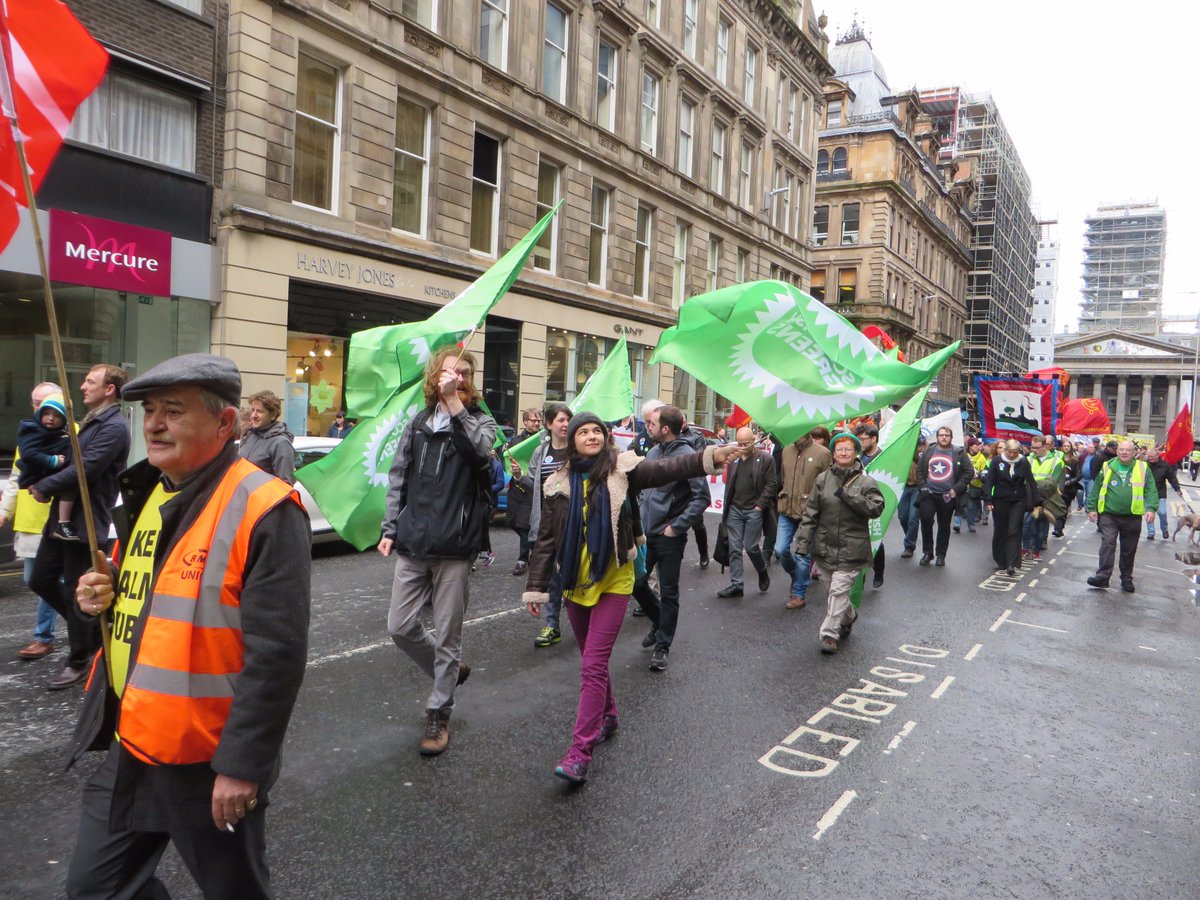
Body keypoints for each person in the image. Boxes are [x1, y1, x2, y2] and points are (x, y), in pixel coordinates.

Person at [67, 352, 311, 900]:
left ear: (225, 424)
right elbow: (160, 600)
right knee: (95, 887)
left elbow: (278, 654)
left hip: (206, 761)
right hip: (132, 741)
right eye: (150, 410)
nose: (154, 424)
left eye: (173, 411)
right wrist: (102, 592)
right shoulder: (152, 490)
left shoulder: (266, 506)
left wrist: (243, 767)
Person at [522, 413, 750, 783]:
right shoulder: (556, 483)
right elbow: (546, 539)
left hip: (614, 577)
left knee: (593, 664)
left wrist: (713, 456)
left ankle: (580, 752)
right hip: (574, 583)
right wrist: (536, 586)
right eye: (584, 431)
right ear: (574, 440)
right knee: (591, 660)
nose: (592, 436)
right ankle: (608, 715)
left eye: (598, 431)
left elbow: (670, 469)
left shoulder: (623, 469)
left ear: (606, 437)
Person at [378, 348, 496, 756]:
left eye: (464, 372)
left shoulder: (480, 420)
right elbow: (398, 479)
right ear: (435, 375)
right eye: (450, 371)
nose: (457, 376)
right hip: (414, 540)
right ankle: (449, 672)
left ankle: (438, 711)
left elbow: (481, 453)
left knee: (448, 634)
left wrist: (455, 405)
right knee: (400, 626)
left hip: (456, 544)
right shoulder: (418, 423)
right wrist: (390, 527)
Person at [29, 364, 130, 691]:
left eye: (90, 381)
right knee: (40, 578)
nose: (83, 386)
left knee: (78, 589)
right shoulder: (92, 420)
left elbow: (86, 469)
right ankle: (89, 629)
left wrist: (45, 486)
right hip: (61, 519)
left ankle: (79, 658)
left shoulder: (114, 427)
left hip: (84, 522)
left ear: (110, 389)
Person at [630, 404, 710, 671]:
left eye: (651, 424)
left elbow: (702, 497)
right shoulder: (652, 451)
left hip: (669, 537)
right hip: (644, 534)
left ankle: (663, 646)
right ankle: (659, 621)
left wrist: (676, 526)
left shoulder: (689, 456)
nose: (646, 427)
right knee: (637, 583)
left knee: (669, 591)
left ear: (665, 428)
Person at [795, 433, 885, 655]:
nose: (844, 453)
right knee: (833, 593)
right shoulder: (822, 480)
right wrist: (803, 543)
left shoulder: (866, 481)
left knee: (837, 592)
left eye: (848, 449)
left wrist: (849, 496)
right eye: (839, 449)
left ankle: (829, 635)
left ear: (856, 453)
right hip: (824, 548)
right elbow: (810, 515)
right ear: (833, 453)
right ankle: (849, 616)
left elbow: (876, 509)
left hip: (852, 549)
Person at [2, 382, 63, 660]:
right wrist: (5, 510)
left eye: (45, 403)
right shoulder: (28, 433)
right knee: (33, 580)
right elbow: (17, 476)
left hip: (58, 519)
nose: (40, 409)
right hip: (29, 520)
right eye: (36, 403)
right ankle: (79, 618)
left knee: (48, 580)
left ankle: (43, 636)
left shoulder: (70, 432)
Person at [519, 403, 572, 645]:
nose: (565, 424)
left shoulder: (576, 451)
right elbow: (536, 488)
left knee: (573, 573)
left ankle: (584, 620)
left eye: (568, 419)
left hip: (571, 523)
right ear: (549, 424)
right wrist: (520, 478)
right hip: (545, 524)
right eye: (560, 420)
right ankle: (552, 626)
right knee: (551, 577)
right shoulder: (541, 452)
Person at [1086, 440, 1158, 593]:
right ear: (1117, 451)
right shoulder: (1107, 466)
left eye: (1128, 450)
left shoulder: (1143, 468)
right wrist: (1091, 507)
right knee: (1108, 543)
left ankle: (1126, 578)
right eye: (1121, 450)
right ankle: (1102, 577)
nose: (1124, 452)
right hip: (1108, 515)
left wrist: (1151, 508)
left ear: (1134, 453)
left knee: (1128, 549)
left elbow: (1151, 489)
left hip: (1132, 516)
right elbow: (1096, 487)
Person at [774, 426, 832, 609]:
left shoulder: (823, 453)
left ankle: (799, 594)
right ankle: (797, 576)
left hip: (810, 512)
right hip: (786, 509)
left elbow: (828, 483)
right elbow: (783, 478)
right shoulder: (786, 450)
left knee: (802, 555)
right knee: (780, 550)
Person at [716, 426, 778, 598]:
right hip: (735, 508)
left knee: (751, 546)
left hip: (753, 509)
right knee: (734, 548)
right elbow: (730, 484)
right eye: (740, 443)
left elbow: (771, 485)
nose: (743, 447)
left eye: (746, 443)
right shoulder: (734, 459)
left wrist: (760, 506)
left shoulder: (765, 459)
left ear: (754, 441)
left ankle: (762, 570)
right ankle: (737, 585)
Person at [15, 391, 78, 540]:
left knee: (70, 486)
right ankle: (63, 523)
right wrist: (52, 460)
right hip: (35, 477)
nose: (50, 418)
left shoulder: (65, 433)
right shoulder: (32, 431)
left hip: (47, 482)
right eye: (47, 414)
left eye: (56, 416)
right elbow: (29, 454)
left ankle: (63, 523)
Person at [915, 426, 972, 566]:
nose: (944, 437)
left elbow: (969, 472)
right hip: (929, 494)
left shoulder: (959, 452)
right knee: (926, 521)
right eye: (941, 435)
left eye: (947, 435)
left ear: (951, 437)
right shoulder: (929, 451)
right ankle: (928, 553)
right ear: (937, 437)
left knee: (944, 525)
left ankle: (941, 555)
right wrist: (923, 486)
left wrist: (956, 489)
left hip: (947, 496)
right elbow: (919, 470)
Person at [983, 439, 1037, 576]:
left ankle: (1011, 563)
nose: (1012, 455)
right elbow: (989, 482)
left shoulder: (1023, 461)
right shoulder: (996, 462)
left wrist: (1037, 502)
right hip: (1000, 499)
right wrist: (988, 500)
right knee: (1001, 529)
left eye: (1015, 452)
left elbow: (1030, 481)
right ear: (1005, 450)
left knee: (1014, 530)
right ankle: (1000, 559)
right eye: (1009, 452)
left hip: (1018, 500)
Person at [239, 390, 295, 483]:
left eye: (259, 411)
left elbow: (285, 485)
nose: (253, 415)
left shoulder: (280, 443)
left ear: (273, 415)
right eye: (253, 410)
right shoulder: (249, 435)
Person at [855, 422, 886, 588]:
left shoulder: (884, 456)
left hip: (875, 503)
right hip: (858, 502)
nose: (860, 442)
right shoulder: (857, 456)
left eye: (863, 439)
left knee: (875, 539)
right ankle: (861, 575)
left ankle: (879, 571)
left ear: (873, 439)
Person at [897, 434, 927, 558]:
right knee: (903, 516)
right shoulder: (903, 446)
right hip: (904, 486)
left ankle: (909, 546)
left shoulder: (925, 448)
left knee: (913, 518)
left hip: (918, 487)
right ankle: (909, 536)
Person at [1144, 447, 1181, 540]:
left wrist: (1177, 489)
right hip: (1148, 493)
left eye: (1152, 456)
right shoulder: (1145, 465)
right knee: (1149, 513)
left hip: (1160, 493)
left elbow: (1172, 478)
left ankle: (1164, 529)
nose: (1150, 458)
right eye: (1148, 456)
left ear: (1157, 456)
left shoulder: (1165, 465)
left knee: (1162, 512)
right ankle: (1151, 532)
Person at [954, 437, 986, 535]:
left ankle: (971, 524)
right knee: (959, 504)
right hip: (963, 484)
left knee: (970, 506)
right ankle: (957, 524)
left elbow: (984, 471)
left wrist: (978, 475)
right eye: (976, 444)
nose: (978, 446)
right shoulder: (963, 455)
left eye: (979, 444)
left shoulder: (982, 458)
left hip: (975, 486)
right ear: (971, 446)